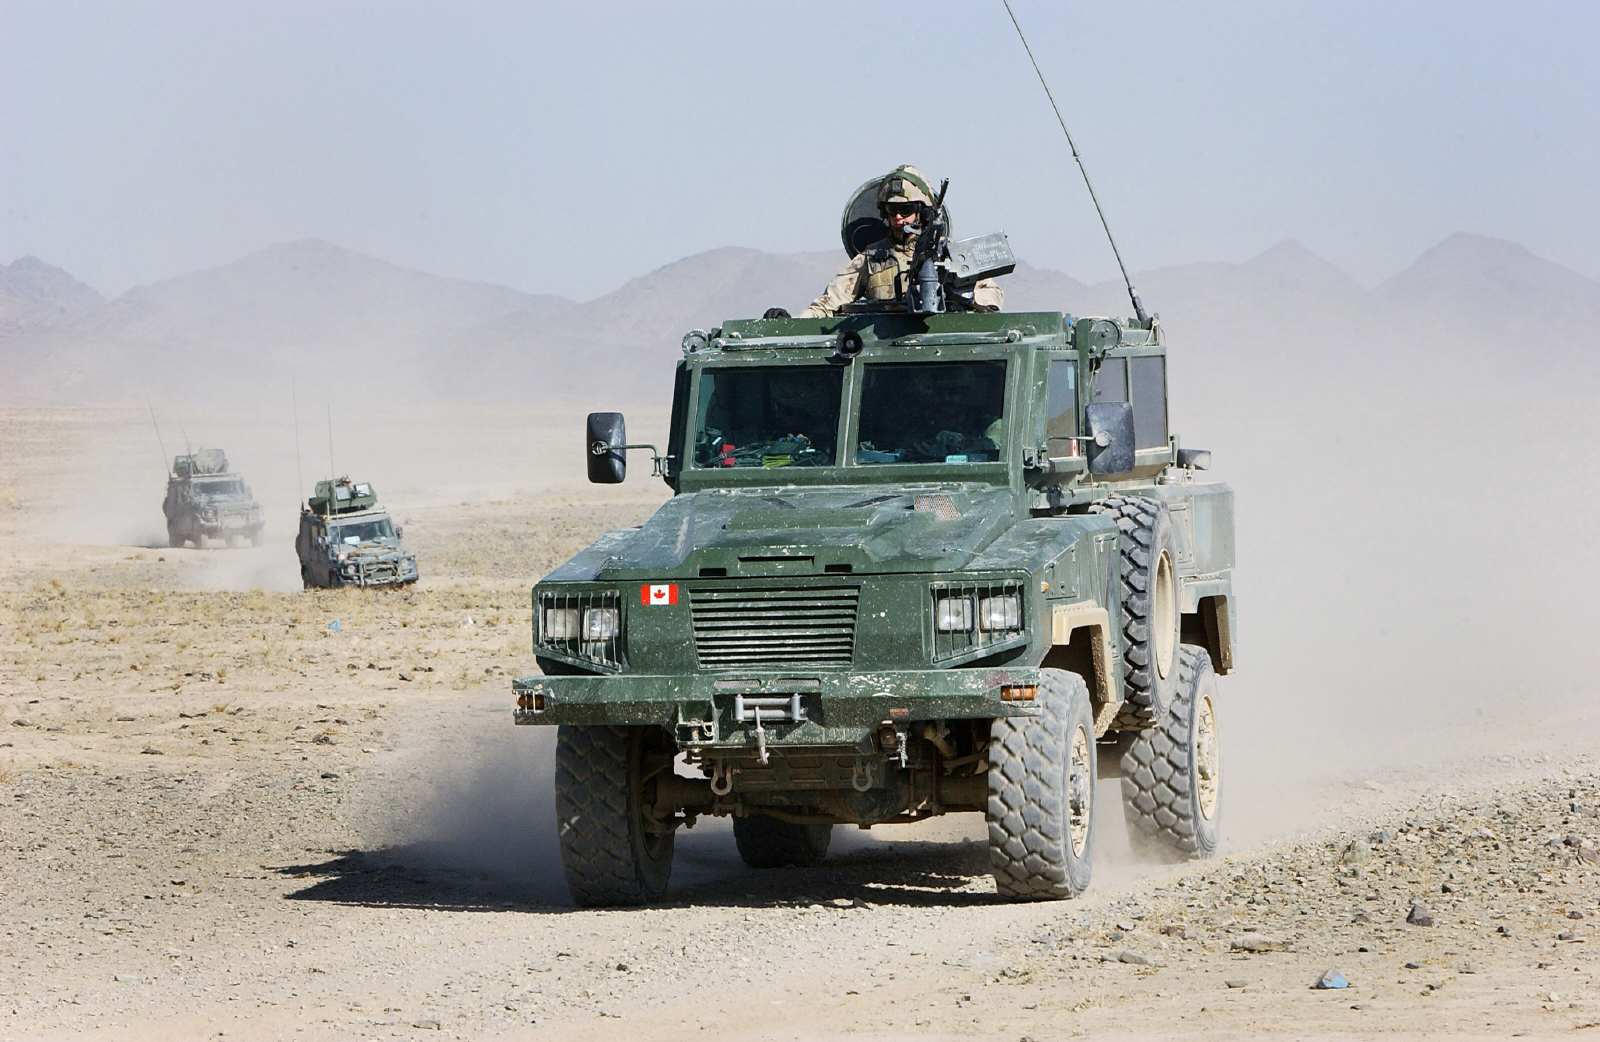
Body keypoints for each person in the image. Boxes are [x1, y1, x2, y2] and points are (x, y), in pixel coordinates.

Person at [798, 165, 1004, 318]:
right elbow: (827, 303)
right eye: (892, 210)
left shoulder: (950, 254)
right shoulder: (871, 258)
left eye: (905, 210)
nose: (898, 218)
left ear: (922, 212)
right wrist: (790, 323)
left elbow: (993, 297)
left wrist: (964, 293)